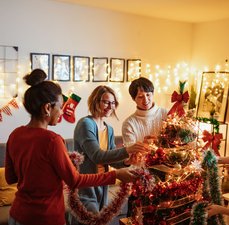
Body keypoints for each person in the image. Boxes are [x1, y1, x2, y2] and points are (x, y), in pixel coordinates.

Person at [5, 69, 138, 225]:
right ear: (48, 108)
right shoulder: (52, 140)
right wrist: (116, 175)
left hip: (17, 215)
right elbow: (74, 180)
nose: (62, 112)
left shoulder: (15, 134)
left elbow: (11, 178)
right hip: (45, 217)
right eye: (60, 107)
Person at [72, 85, 148, 224]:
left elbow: (110, 160)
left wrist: (127, 161)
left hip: (102, 185)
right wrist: (128, 150)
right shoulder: (85, 124)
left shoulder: (109, 129)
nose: (110, 106)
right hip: (86, 187)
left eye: (113, 103)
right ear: (95, 102)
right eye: (106, 102)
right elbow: (97, 156)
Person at [121, 77, 168, 216]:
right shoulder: (129, 123)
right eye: (140, 96)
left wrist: (153, 144)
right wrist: (147, 145)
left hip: (167, 173)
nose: (145, 99)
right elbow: (133, 156)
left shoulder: (165, 114)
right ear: (134, 99)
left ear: (153, 94)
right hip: (142, 177)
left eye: (148, 95)